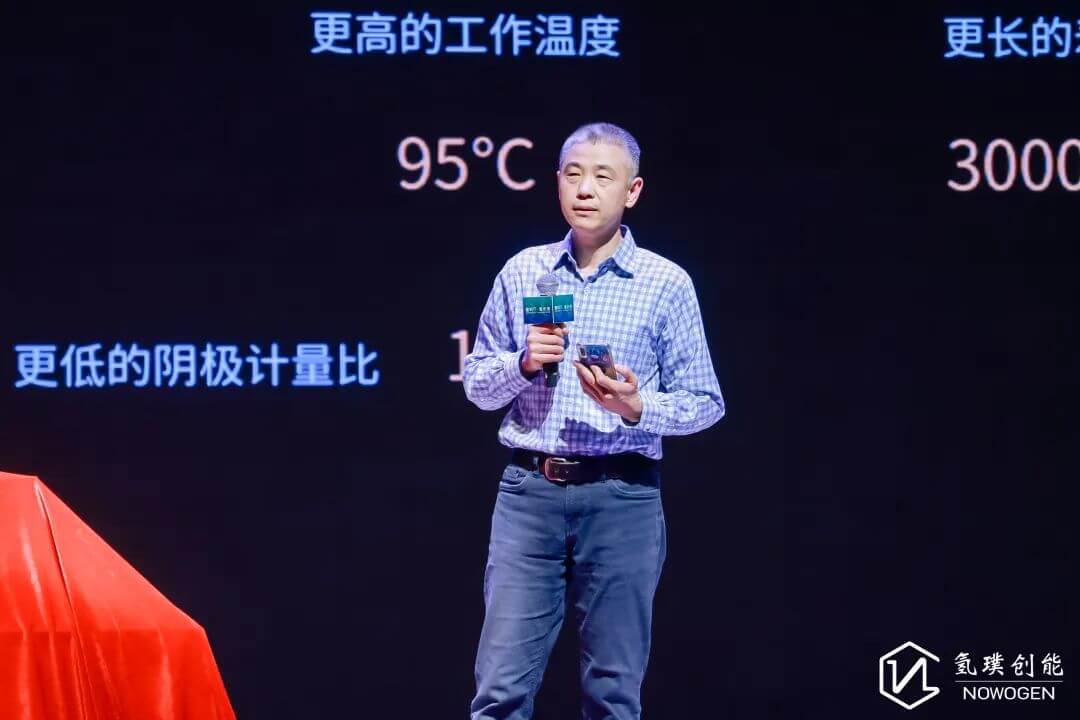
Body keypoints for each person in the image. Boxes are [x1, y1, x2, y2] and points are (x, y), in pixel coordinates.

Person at [462, 121, 726, 720]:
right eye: (574, 174)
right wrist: (524, 362)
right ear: (557, 182)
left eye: (603, 177)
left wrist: (637, 407)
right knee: (499, 691)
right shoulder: (525, 270)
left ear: (632, 191)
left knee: (613, 693)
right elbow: (477, 385)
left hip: (621, 497)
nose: (585, 189)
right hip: (528, 494)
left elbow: (705, 401)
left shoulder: (665, 283)